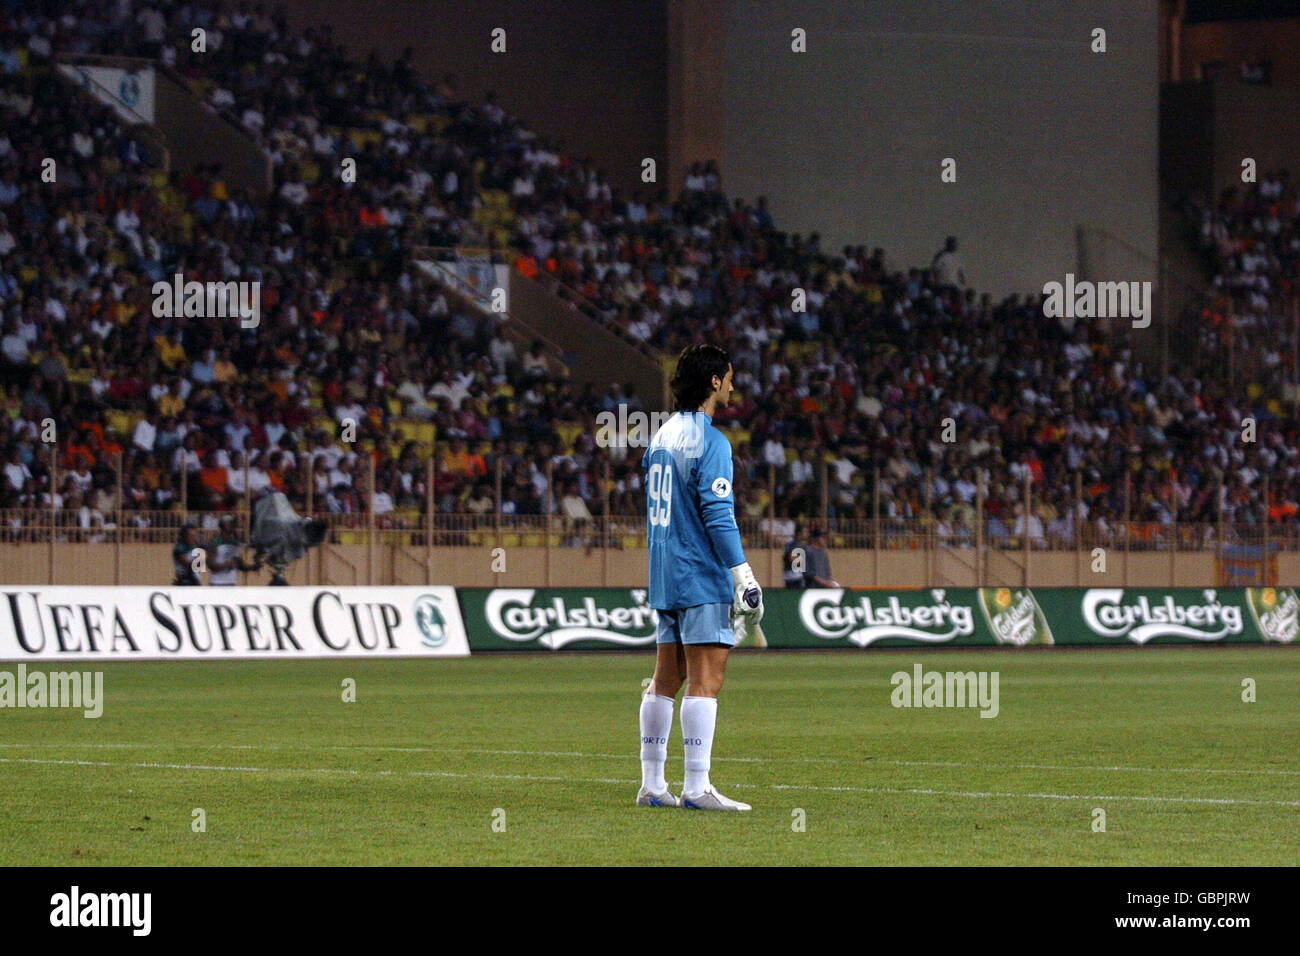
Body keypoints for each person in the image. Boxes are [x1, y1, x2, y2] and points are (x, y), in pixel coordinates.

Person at [637, 343, 761, 812]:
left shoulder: (660, 437)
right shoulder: (711, 441)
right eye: (729, 377)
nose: (732, 385)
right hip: (699, 573)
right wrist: (742, 574)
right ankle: (695, 786)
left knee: (666, 677)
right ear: (714, 382)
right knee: (706, 678)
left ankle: (652, 784)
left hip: (665, 570)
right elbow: (717, 512)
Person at [208, 514, 259, 586]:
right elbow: (211, 565)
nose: (231, 525)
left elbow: (239, 564)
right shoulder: (214, 542)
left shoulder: (235, 543)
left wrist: (252, 567)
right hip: (217, 582)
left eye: (232, 523)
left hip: (232, 582)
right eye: (228, 523)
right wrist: (226, 565)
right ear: (222, 525)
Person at [783, 522, 807, 588]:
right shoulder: (793, 545)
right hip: (793, 577)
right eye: (805, 532)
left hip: (798, 576)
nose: (806, 534)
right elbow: (792, 559)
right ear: (799, 533)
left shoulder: (802, 545)